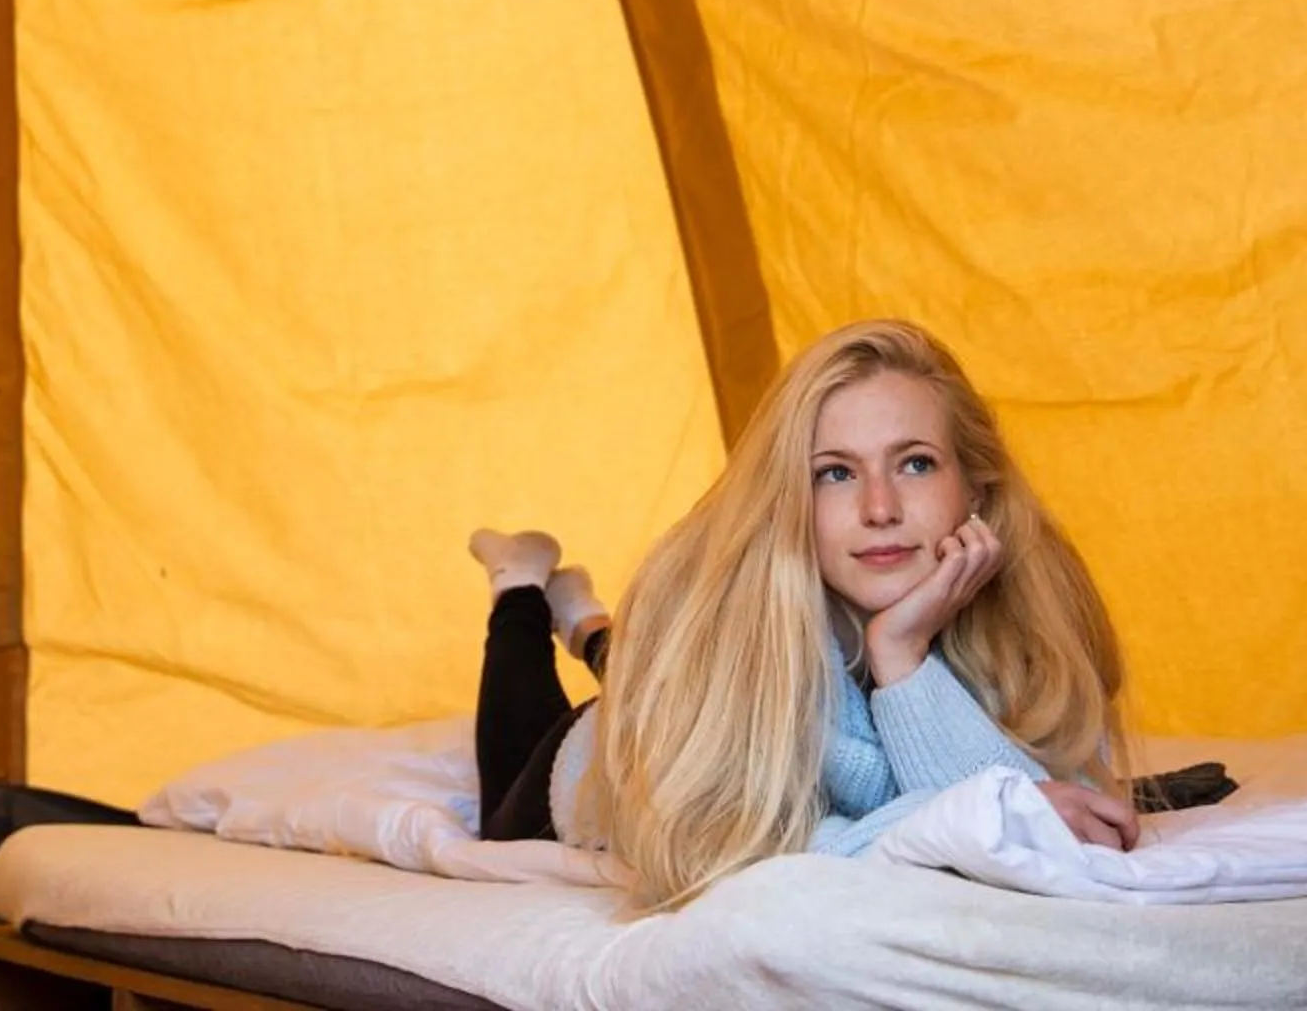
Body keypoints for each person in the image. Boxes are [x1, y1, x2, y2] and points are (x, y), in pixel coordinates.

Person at [469, 317, 1141, 912]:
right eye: (836, 473)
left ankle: (584, 617)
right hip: (602, 758)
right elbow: (716, 854)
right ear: (791, 495)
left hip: (671, 683)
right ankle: (521, 583)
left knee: (628, 657)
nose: (881, 509)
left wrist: (901, 653)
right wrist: (958, 818)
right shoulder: (729, 620)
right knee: (511, 779)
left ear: (973, 486)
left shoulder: (1025, 613)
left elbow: (1036, 832)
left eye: (915, 463)